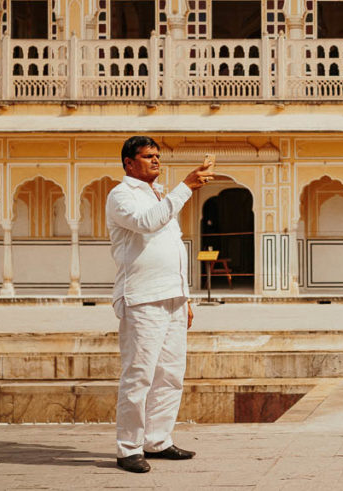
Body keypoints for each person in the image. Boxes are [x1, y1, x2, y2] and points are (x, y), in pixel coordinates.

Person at [106, 135, 214, 473]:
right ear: (128, 162)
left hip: (172, 298)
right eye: (148, 156)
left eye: (157, 156)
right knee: (139, 376)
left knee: (170, 374)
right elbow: (145, 223)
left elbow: (171, 247)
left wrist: (186, 298)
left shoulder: (159, 195)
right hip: (142, 298)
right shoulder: (121, 195)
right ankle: (128, 448)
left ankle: (157, 439)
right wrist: (186, 187)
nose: (156, 161)